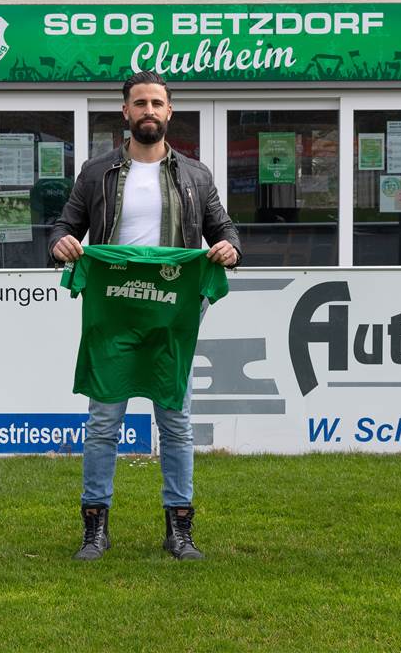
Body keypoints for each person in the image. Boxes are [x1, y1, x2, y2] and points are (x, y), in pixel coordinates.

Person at [49, 70, 241, 561]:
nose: (149, 111)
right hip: (113, 311)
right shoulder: (96, 173)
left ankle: (179, 529)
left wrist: (227, 249)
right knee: (102, 422)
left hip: (172, 311)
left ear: (169, 112)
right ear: (126, 112)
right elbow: (64, 226)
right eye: (140, 103)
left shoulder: (196, 175)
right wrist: (62, 244)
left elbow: (225, 229)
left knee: (175, 423)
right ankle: (95, 528)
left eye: (157, 103)